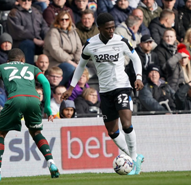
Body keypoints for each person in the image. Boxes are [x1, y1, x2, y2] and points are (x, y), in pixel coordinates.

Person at [61, 13, 144, 175]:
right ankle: (133, 156)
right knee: (112, 132)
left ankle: (133, 160)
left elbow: (135, 58)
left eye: (113, 27)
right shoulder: (91, 44)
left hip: (122, 86)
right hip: (105, 91)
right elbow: (80, 66)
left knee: (126, 124)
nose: (112, 30)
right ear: (99, 29)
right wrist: (71, 87)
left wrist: (139, 77)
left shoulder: (120, 41)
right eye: (108, 28)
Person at [0, 48, 60, 181]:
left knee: (0, 133)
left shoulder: (0, 67)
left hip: (15, 98)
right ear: (23, 60)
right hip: (34, 99)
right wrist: (47, 106)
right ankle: (51, 163)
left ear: (8, 61)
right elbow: (46, 82)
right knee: (36, 133)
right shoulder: (32, 67)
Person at [43, 11, 82, 86]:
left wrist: (78, 62)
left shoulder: (73, 31)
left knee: (84, 69)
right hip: (56, 62)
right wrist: (70, 61)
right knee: (70, 68)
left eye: (66, 19)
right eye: (62, 19)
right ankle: (58, 88)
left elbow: (79, 47)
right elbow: (55, 50)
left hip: (72, 60)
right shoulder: (53, 32)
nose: (64, 21)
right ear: (58, 20)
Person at [6, 0, 49, 65]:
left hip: (39, 41)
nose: (27, 2)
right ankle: (29, 69)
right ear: (19, 1)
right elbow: (18, 32)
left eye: (29, 0)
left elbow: (44, 26)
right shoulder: (14, 13)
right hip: (20, 42)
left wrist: (47, 39)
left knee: (51, 44)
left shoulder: (36, 11)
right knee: (28, 44)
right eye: (24, 0)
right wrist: (34, 39)